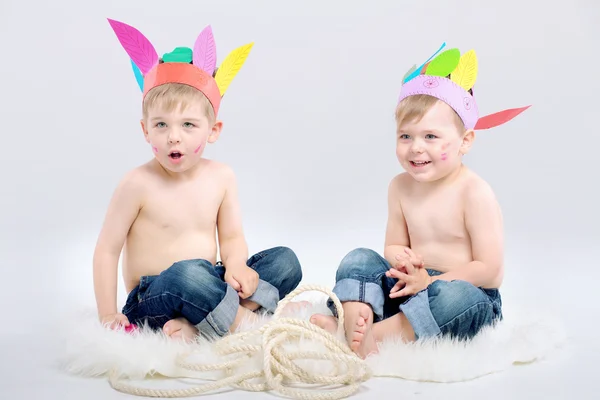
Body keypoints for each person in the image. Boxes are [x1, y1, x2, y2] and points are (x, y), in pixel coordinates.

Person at [310, 44, 531, 358]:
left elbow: (491, 270)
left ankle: (377, 335)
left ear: (465, 141)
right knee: (359, 258)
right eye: (405, 136)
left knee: (457, 298)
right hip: (409, 285)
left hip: (463, 291)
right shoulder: (399, 187)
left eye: (430, 137)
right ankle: (356, 317)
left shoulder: (474, 192)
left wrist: (428, 280)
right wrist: (404, 261)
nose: (415, 148)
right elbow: (393, 246)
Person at [93, 19, 303, 342]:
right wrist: (108, 313)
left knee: (286, 262)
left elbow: (232, 237)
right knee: (188, 273)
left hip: (211, 282)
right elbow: (107, 250)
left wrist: (235, 265)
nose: (173, 137)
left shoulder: (222, 177)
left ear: (213, 130)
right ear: (145, 129)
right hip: (155, 296)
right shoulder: (136, 183)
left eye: (188, 125)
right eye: (161, 125)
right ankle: (246, 320)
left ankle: (200, 327)